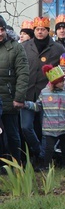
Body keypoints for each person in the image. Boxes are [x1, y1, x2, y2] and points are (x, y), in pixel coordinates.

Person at [22, 16, 65, 163]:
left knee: (45, 129)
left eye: (43, 29)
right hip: (27, 92)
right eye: (37, 29)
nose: (40, 32)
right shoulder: (25, 46)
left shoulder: (57, 48)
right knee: (26, 127)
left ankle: (43, 159)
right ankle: (39, 152)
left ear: (48, 31)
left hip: (48, 95)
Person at [24, 65, 65, 170]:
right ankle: (46, 166)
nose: (63, 83)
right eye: (61, 81)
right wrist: (26, 105)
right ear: (54, 83)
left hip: (64, 127)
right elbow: (38, 106)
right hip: (49, 128)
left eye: (64, 80)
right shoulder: (44, 93)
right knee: (49, 149)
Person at [0, 15, 30, 162]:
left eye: (1, 29)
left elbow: (23, 74)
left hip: (9, 100)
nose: (0, 33)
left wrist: (19, 97)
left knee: (12, 135)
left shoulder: (16, 48)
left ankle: (16, 164)